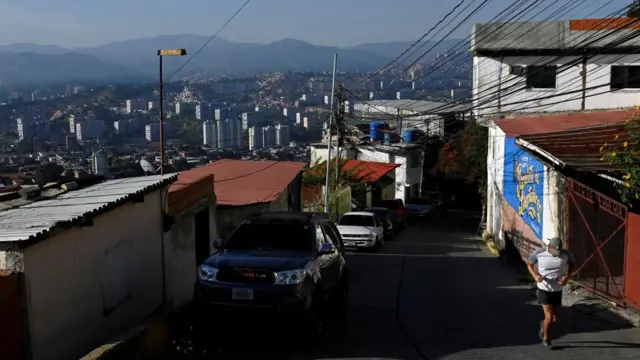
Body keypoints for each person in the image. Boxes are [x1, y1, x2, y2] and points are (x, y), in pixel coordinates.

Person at [526, 237, 575, 347]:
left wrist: (567, 275)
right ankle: (545, 339)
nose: (557, 254)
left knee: (555, 318)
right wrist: (535, 275)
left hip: (557, 289)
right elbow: (529, 264)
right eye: (554, 251)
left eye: (559, 252)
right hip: (544, 288)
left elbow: (572, 264)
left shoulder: (566, 254)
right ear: (549, 247)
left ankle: (543, 325)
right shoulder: (539, 253)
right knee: (549, 316)